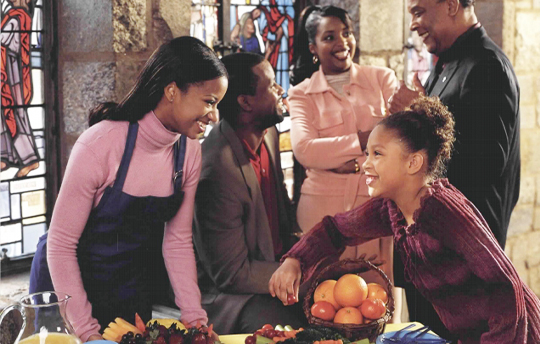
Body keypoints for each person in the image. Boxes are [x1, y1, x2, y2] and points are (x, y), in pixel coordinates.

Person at [270, 96, 540, 343]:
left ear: (413, 163)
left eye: (377, 154)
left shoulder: (446, 211)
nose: (365, 164)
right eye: (367, 153)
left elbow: (506, 288)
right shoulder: (392, 208)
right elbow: (336, 229)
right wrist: (296, 260)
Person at [28, 36, 228, 342]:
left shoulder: (189, 151)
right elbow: (60, 245)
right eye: (209, 102)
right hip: (64, 289)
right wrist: (86, 332)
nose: (214, 116)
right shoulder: (101, 144)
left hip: (129, 286)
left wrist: (195, 320)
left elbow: (177, 242)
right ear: (172, 90)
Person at [388, 0, 520, 337]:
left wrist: (417, 111)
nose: (414, 25)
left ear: (450, 5)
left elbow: (486, 165)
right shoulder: (448, 64)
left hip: (463, 264)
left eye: (419, 12)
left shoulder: (487, 66)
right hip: (435, 256)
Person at [286, 5, 399, 316]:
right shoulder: (300, 94)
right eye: (329, 36)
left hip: (374, 212)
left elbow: (400, 136)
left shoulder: (382, 79)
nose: (342, 42)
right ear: (313, 47)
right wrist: (366, 141)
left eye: (347, 33)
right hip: (320, 213)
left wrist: (336, 161)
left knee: (377, 306)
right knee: (322, 306)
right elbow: (305, 150)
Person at [192, 52, 306, 334]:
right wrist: (302, 274)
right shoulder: (217, 171)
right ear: (245, 102)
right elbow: (231, 273)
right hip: (233, 297)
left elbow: (282, 220)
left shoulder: (267, 134)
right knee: (296, 331)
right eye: (271, 85)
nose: (281, 91)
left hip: (273, 270)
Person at [1, 0, 40, 177]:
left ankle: (30, 160)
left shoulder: (18, 18)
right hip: (5, 73)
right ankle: (4, 157)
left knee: (16, 115)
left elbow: (5, 41)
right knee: (3, 116)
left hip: (12, 76)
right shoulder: (13, 17)